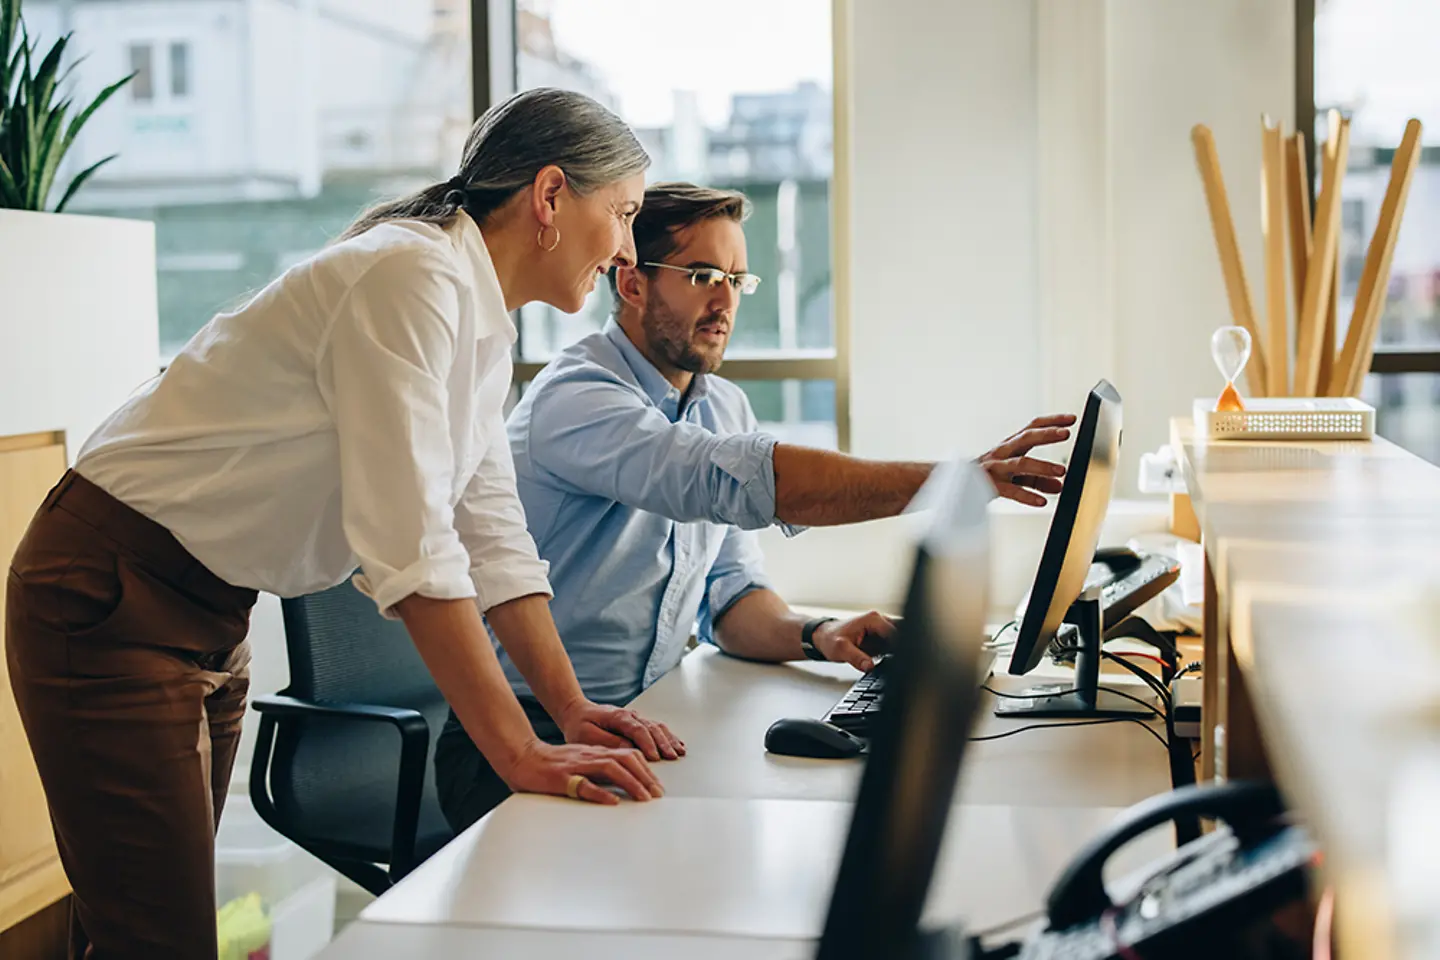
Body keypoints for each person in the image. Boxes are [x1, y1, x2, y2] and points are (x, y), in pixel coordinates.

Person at [5, 88, 685, 960]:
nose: (626, 246)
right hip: (110, 590)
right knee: (158, 935)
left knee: (145, 920)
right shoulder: (410, 276)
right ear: (550, 197)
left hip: (206, 608)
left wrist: (571, 710)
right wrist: (517, 751)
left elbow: (491, 535)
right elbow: (413, 550)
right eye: (623, 214)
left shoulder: (478, 322)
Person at [433, 182, 1075, 832]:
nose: (726, 302)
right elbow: (730, 484)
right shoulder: (576, 399)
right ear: (630, 283)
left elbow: (729, 596)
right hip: (522, 734)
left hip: (649, 717)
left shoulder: (721, 406)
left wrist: (816, 634)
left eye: (739, 280)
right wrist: (960, 480)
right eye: (705, 275)